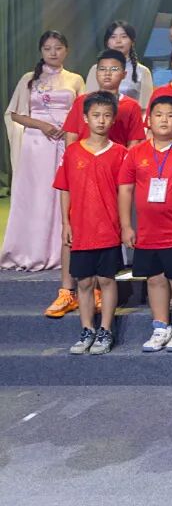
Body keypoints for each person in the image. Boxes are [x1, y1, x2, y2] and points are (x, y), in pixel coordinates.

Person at [119, 95, 172, 352]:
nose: (164, 120)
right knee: (154, 279)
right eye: (158, 115)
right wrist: (126, 226)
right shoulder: (136, 152)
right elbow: (125, 190)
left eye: (170, 115)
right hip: (148, 231)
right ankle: (160, 327)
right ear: (149, 120)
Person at [2, 32, 84, 286]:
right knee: (36, 195)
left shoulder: (75, 79)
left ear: (66, 50)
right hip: (36, 144)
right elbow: (15, 114)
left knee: (60, 195)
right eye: (48, 48)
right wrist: (42, 125)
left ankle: (60, 251)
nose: (53, 53)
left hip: (65, 142)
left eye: (58, 48)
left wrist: (68, 131)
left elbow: (84, 111)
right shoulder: (29, 78)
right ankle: (30, 250)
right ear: (41, 51)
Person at [55, 92, 126, 355]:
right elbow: (65, 189)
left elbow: (125, 193)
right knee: (84, 283)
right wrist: (66, 223)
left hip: (108, 229)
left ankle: (105, 330)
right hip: (82, 229)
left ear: (113, 120)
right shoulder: (73, 152)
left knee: (107, 281)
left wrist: (124, 225)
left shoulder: (120, 153)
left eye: (107, 116)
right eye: (96, 115)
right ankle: (87, 329)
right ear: (85, 118)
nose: (101, 120)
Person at [63, 50, 145, 149]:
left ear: (124, 74)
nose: (107, 73)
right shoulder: (81, 101)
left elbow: (134, 142)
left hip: (117, 158)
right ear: (96, 73)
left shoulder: (132, 106)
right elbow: (71, 137)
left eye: (114, 69)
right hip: (82, 157)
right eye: (102, 69)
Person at [84, 21, 154, 108]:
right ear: (107, 42)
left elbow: (146, 107)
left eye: (124, 37)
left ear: (132, 42)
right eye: (113, 37)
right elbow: (87, 103)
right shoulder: (95, 69)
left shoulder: (142, 71)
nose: (118, 41)